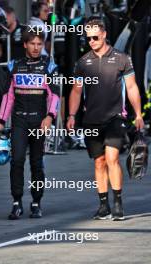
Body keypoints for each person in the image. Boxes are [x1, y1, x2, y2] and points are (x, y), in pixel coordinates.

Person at [67, 19, 144, 221]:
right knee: (99, 162)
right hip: (92, 120)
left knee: (111, 159)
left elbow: (132, 87)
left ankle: (118, 203)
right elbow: (76, 91)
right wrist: (72, 115)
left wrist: (138, 114)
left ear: (104, 34)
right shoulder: (83, 62)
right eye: (88, 38)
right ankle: (104, 206)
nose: (91, 41)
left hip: (115, 117)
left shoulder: (122, 59)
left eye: (94, 37)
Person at [0, 28, 60, 220]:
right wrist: (0, 121)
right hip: (19, 121)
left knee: (36, 163)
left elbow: (55, 95)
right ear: (25, 44)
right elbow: (8, 97)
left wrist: (50, 117)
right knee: (16, 161)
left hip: (39, 121)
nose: (36, 47)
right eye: (32, 43)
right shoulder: (14, 65)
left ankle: (36, 203)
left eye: (39, 44)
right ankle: (16, 203)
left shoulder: (49, 65)